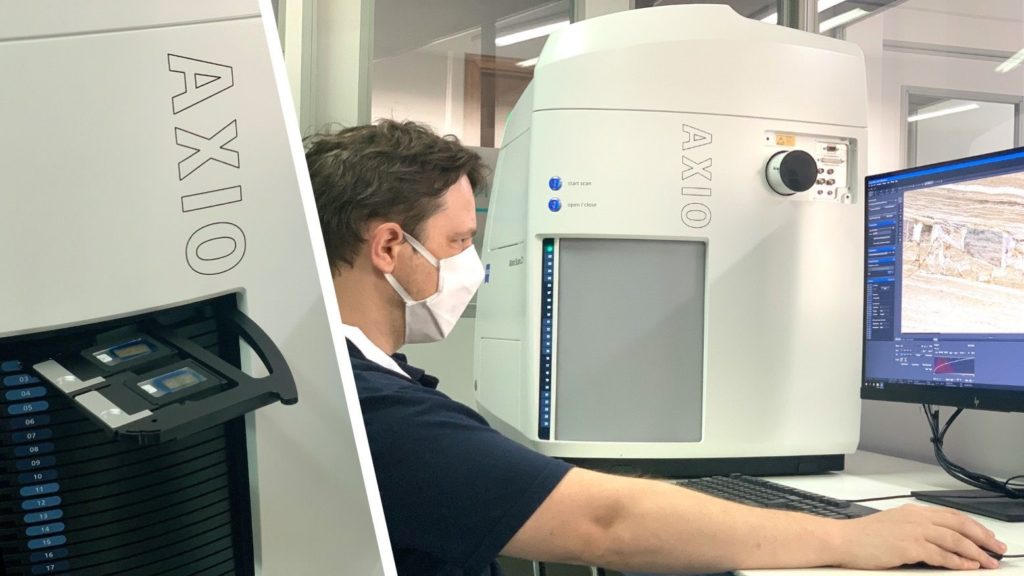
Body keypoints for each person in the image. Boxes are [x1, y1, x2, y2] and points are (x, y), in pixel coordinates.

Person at [306, 119, 1005, 576]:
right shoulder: (372, 405)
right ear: (390, 246)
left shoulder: (361, 376)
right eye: (460, 243)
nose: (474, 267)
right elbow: (603, 524)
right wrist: (850, 540)